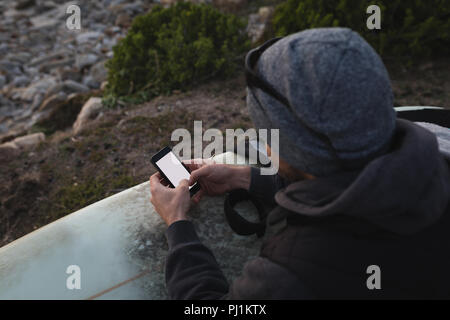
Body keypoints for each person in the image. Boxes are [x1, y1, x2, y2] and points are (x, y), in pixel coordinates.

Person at [149, 28, 450, 299]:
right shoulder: (438, 147)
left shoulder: (294, 274)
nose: (263, 142)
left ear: (296, 147)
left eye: (265, 130)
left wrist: (178, 224)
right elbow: (356, 184)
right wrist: (246, 178)